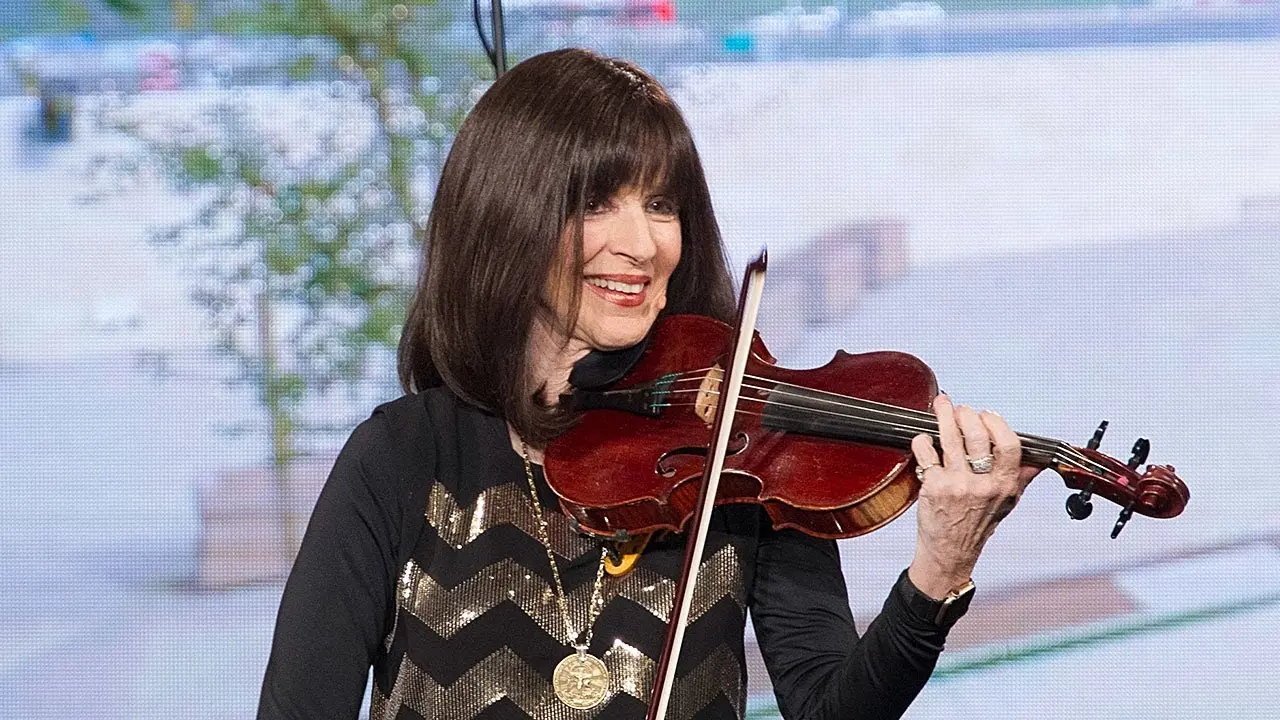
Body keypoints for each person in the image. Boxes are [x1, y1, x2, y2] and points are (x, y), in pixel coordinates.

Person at [257, 48, 1039, 720]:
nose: (641, 244)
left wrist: (940, 568)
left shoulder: (738, 452)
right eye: (598, 203)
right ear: (507, 215)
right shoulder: (402, 456)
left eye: (661, 205)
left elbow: (830, 706)